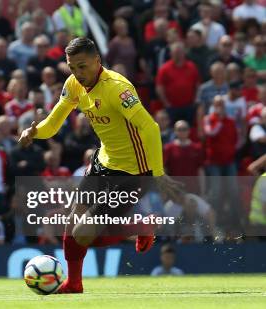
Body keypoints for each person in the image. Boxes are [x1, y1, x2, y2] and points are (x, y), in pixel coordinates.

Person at [18, 37, 182, 294]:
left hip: (132, 171)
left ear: (98, 61)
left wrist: (158, 174)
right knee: (72, 226)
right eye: (72, 67)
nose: (77, 73)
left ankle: (142, 226)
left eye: (82, 67)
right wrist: (34, 132)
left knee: (83, 233)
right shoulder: (74, 84)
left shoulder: (117, 88)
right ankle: (74, 284)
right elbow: (54, 122)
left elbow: (150, 127)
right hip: (103, 162)